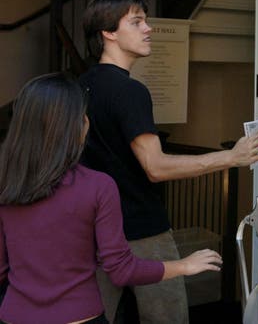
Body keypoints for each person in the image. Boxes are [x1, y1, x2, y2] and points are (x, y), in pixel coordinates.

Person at [79, 0, 258, 324]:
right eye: (137, 21)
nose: (148, 28)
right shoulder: (129, 91)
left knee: (94, 318)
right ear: (108, 32)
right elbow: (156, 167)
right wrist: (232, 156)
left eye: (145, 20)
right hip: (142, 230)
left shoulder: (81, 85)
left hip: (94, 229)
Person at [0, 72, 223, 324]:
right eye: (82, 116)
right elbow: (121, 269)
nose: (86, 121)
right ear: (73, 126)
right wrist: (183, 265)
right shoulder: (98, 186)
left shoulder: (6, 185)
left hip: (14, 316)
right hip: (79, 317)